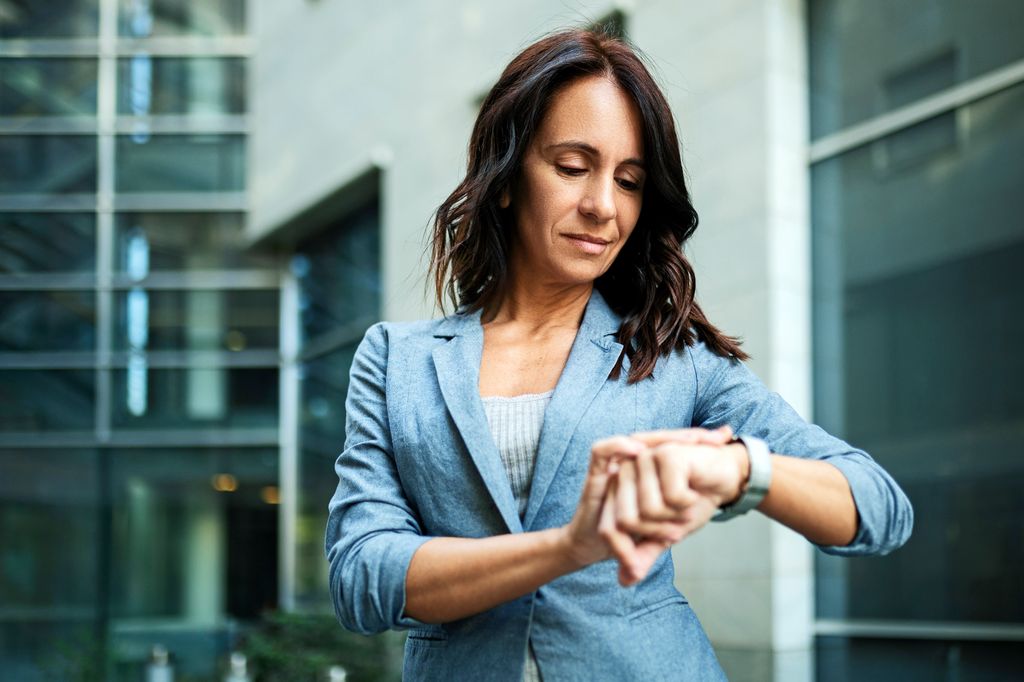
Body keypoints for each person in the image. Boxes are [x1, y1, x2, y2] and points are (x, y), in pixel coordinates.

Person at [325, 28, 913, 681]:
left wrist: (738, 468)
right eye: (573, 167)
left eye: (629, 181)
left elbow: (878, 508)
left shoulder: (671, 354)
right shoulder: (397, 360)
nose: (602, 206)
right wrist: (568, 548)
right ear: (505, 179)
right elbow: (360, 577)